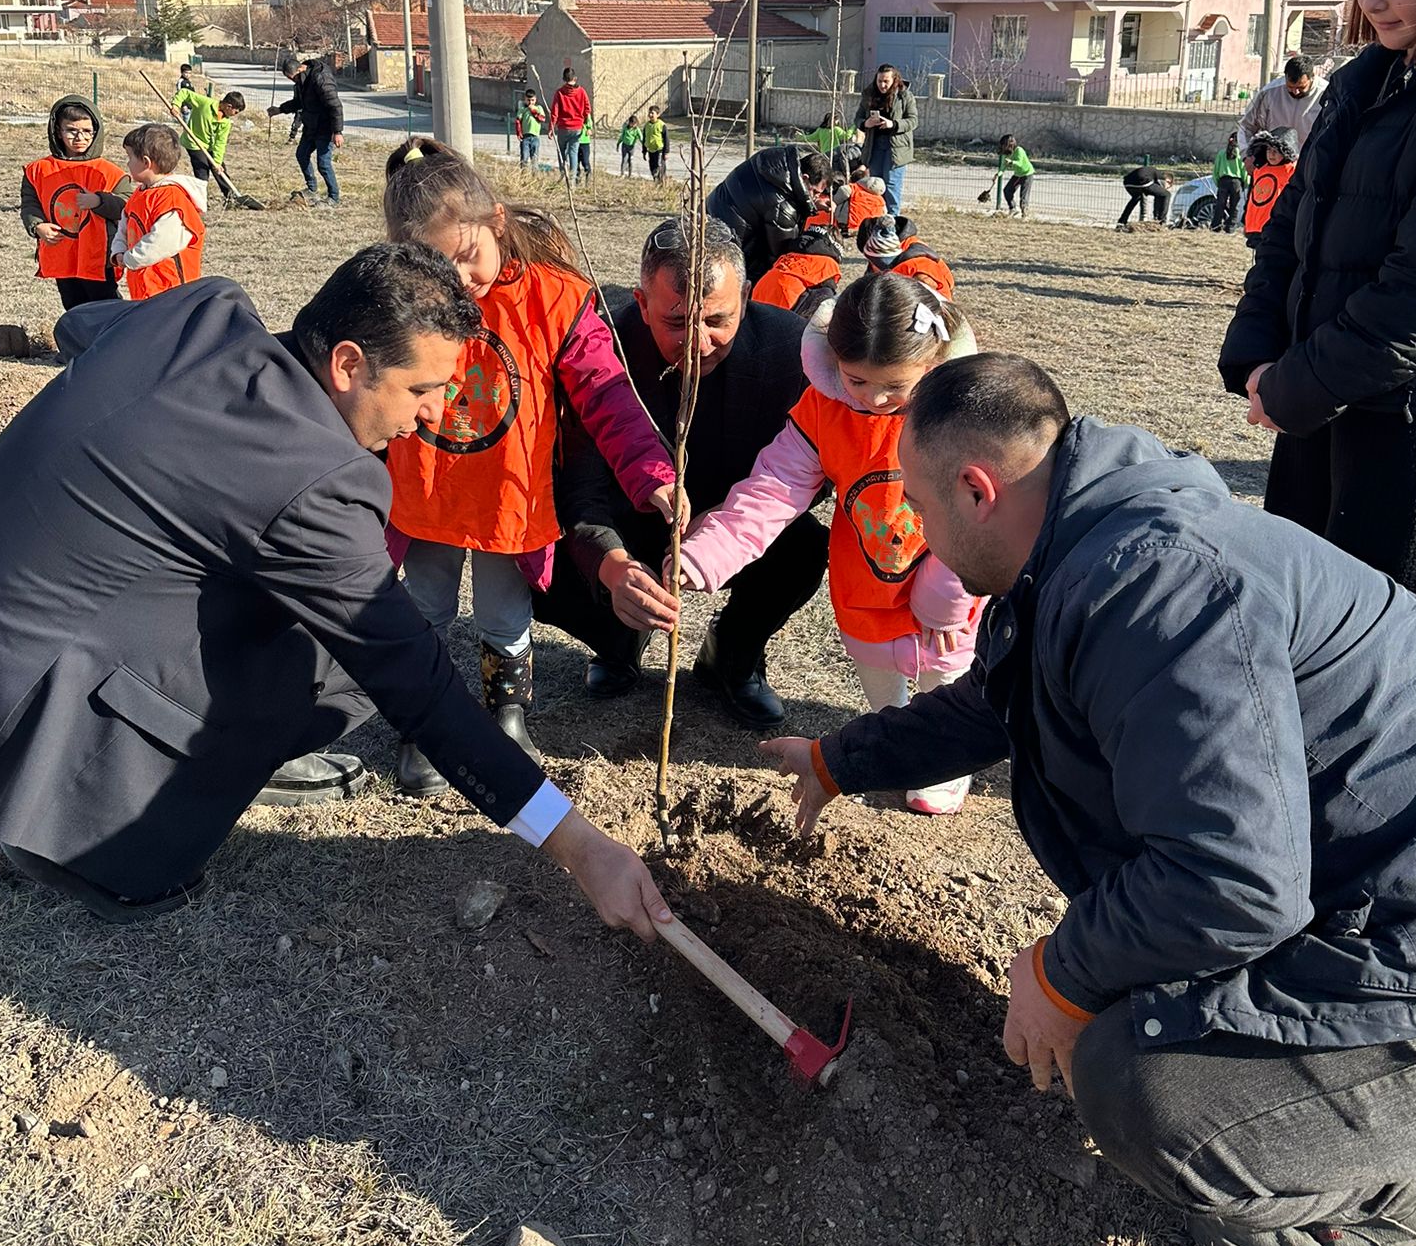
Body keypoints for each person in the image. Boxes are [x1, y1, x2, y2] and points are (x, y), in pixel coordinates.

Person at [764, 353, 1416, 1246]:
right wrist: (841, 761)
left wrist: (1062, 971)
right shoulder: (1073, 535)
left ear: (976, 490)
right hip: (1353, 876)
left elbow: (1234, 879)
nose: (917, 538)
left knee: (1142, 1090)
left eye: (919, 513)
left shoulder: (1155, 587)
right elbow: (997, 705)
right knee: (1146, 993)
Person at [0, 245, 672, 942]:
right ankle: (91, 835)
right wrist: (579, 848)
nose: (436, 414)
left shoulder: (202, 312)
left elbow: (81, 323)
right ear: (346, 363)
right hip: (14, 690)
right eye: (421, 387)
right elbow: (423, 689)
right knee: (348, 661)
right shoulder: (319, 483)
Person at [380, 143, 677, 790]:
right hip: (426, 493)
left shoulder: (556, 300)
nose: (459, 281)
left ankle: (506, 716)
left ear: (497, 221)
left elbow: (607, 394)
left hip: (508, 501)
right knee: (424, 608)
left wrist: (652, 473)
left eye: (467, 257)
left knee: (502, 613)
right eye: (437, 266)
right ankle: (424, 722)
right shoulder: (398, 295)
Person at [1220, 0, 1416, 605]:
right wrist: (1258, 347)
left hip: (1406, 421)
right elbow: (1291, 225)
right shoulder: (1363, 83)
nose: (1371, 1)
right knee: (1292, 620)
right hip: (1318, 402)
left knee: (1372, 657)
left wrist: (1296, 384)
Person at [682, 273, 980, 815]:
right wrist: (706, 552)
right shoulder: (824, 410)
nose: (875, 398)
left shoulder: (959, 417)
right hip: (865, 572)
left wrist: (948, 594)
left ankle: (942, 758)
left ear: (933, 365)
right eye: (857, 380)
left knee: (945, 665)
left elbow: (977, 515)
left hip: (948, 572)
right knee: (876, 663)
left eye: (895, 385)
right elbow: (774, 487)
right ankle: (893, 741)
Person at [532, 218, 829, 728]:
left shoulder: (791, 351)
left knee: (805, 547)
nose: (699, 343)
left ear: (748, 295)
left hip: (737, 526)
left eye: (718, 320)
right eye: (676, 323)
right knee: (542, 558)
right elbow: (578, 485)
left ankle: (731, 655)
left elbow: (814, 469)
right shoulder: (602, 351)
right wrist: (612, 566)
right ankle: (618, 640)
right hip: (630, 522)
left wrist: (726, 518)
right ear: (641, 302)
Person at [19, 97, 131, 311]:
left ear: (96, 131)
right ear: (57, 131)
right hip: (61, 252)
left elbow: (127, 206)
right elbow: (30, 203)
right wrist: (37, 226)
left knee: (106, 307)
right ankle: (80, 343)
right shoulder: (38, 170)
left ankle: (113, 343)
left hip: (99, 257)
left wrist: (99, 201)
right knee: (72, 307)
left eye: (87, 131)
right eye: (71, 130)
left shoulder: (110, 173)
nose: (80, 137)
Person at [707, 143, 830, 283]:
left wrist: (812, 204)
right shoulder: (782, 207)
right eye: (815, 192)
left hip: (713, 213)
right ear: (805, 178)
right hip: (727, 240)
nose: (814, 197)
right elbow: (781, 255)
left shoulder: (776, 164)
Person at [111, 123, 207, 299]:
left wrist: (128, 259)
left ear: (146, 162)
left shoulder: (172, 199)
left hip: (170, 291)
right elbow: (124, 227)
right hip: (144, 286)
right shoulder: (139, 194)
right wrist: (118, 249)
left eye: (130, 157)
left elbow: (161, 242)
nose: (127, 163)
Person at [267, 52, 343, 205]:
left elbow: (335, 105)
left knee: (323, 163)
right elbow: (299, 103)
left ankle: (333, 197)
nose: (293, 81)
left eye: (293, 77)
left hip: (325, 127)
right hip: (311, 126)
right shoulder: (300, 82)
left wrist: (337, 131)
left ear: (301, 68)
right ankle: (311, 188)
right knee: (301, 154)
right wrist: (279, 109)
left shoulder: (321, 79)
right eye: (290, 79)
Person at [856, 64, 918, 215]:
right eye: (879, 81)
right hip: (874, 145)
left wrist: (894, 124)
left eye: (886, 81)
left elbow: (913, 121)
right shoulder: (869, 94)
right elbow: (858, 118)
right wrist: (865, 124)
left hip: (896, 147)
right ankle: (877, 220)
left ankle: (892, 225)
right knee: (876, 184)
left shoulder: (904, 96)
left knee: (891, 185)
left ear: (894, 80)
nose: (882, 85)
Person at [749, 226, 843, 321]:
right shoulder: (826, 267)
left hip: (755, 318)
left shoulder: (787, 258)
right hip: (784, 322)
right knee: (827, 300)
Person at [1237, 54, 1324, 156]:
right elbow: (1246, 127)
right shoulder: (1269, 93)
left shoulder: (1326, 94)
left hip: (1310, 163)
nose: (1295, 92)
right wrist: (1246, 156)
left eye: (1301, 87)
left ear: (1312, 77)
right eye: (1290, 87)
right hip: (1274, 163)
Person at [856, 213, 954, 298]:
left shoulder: (916, 263)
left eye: (872, 260)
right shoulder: (899, 247)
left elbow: (927, 285)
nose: (872, 264)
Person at [174, 84, 246, 201]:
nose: (235, 115)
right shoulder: (204, 103)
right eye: (236, 112)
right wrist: (176, 105)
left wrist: (217, 162)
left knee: (220, 170)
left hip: (209, 145)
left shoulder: (225, 122)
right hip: (194, 143)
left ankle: (230, 197)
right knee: (202, 170)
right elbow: (184, 93)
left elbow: (220, 143)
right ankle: (201, 200)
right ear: (228, 106)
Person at [1241, 131, 1297, 246]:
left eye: (1276, 151)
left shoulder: (1291, 170)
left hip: (1275, 226)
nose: (1271, 154)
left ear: (1285, 152)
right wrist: (1245, 220)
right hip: (1255, 226)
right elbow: (1252, 197)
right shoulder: (1260, 170)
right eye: (1268, 150)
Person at [548, 65, 591, 181]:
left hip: (563, 127)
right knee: (573, 152)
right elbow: (587, 109)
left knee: (561, 150)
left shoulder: (560, 93)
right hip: (577, 127)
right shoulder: (582, 92)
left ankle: (563, 173)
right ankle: (572, 178)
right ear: (575, 78)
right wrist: (587, 125)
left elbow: (554, 112)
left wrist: (551, 128)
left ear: (563, 79)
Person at [1116, 164, 1172, 231]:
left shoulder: (1152, 173)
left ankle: (1121, 221)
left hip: (1128, 183)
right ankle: (1161, 222)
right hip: (1142, 180)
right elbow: (1160, 196)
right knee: (1166, 194)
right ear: (1168, 181)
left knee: (1136, 198)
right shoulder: (1161, 177)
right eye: (1168, 186)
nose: (1166, 188)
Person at [1212, 134, 1246, 234]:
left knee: (1220, 204)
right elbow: (1243, 170)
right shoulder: (1240, 154)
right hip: (1236, 182)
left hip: (1223, 181)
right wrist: (1245, 182)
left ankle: (1216, 226)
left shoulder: (1221, 153)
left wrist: (1217, 181)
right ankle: (1230, 227)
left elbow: (1216, 171)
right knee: (1234, 205)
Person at [998, 135, 1034, 217]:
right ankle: (1013, 209)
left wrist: (1011, 162)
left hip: (1027, 174)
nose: (1002, 147)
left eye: (1004, 145)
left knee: (1023, 197)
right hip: (1017, 175)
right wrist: (998, 174)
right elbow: (1003, 166)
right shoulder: (1007, 154)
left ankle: (1025, 214)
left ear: (1009, 144)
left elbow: (1020, 163)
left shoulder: (1019, 150)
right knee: (1007, 191)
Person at [516, 90, 546, 169]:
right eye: (528, 100)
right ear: (525, 99)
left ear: (535, 100)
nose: (530, 102)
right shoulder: (523, 109)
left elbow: (542, 119)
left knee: (534, 158)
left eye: (532, 100)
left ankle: (535, 176)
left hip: (535, 137)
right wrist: (519, 132)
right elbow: (518, 120)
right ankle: (524, 175)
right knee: (524, 158)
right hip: (525, 137)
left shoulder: (539, 108)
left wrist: (534, 111)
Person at [642, 105, 669, 183]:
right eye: (649, 113)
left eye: (652, 113)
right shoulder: (647, 125)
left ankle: (662, 182)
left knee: (659, 167)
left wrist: (666, 152)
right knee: (652, 167)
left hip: (659, 150)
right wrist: (644, 151)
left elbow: (666, 139)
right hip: (651, 150)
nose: (650, 115)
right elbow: (644, 138)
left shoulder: (662, 125)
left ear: (657, 114)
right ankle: (656, 181)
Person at [618, 112, 642, 177]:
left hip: (631, 147)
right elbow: (622, 136)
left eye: (635, 124)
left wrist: (644, 144)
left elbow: (640, 137)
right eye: (632, 124)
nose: (634, 125)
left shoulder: (637, 130)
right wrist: (618, 143)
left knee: (630, 161)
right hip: (625, 146)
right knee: (624, 159)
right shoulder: (626, 128)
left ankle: (630, 174)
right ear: (630, 123)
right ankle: (622, 173)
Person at [577, 111, 595, 184]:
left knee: (585, 162)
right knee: (576, 163)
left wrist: (589, 129)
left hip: (585, 142)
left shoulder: (586, 114)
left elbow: (590, 126)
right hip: (575, 142)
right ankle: (577, 181)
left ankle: (588, 180)